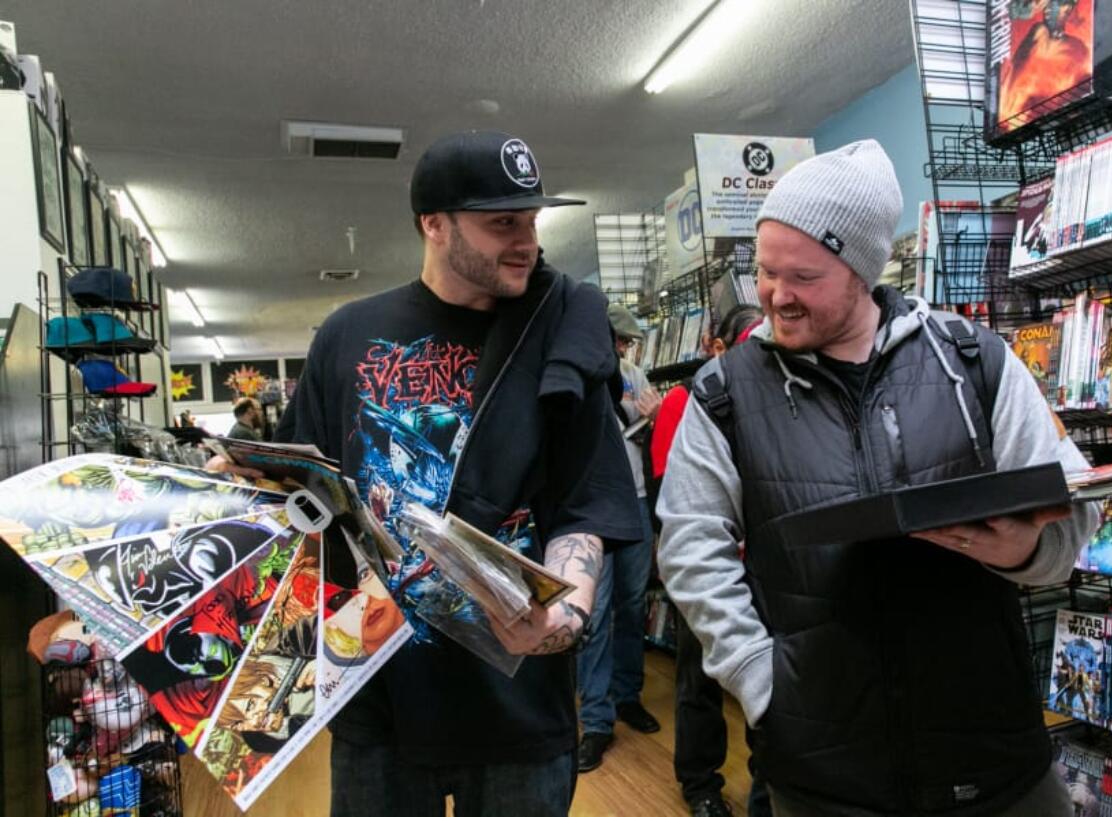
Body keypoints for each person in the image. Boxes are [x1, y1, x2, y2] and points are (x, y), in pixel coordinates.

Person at [657, 139, 1099, 817]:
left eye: (802, 276)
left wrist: (1027, 551)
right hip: (824, 777)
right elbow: (690, 546)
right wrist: (760, 679)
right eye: (766, 272)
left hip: (996, 761)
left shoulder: (974, 362)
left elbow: (1074, 501)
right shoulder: (724, 394)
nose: (775, 295)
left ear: (861, 267)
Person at [277, 129, 642, 817]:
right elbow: (305, 493)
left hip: (519, 713)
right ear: (434, 224)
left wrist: (561, 617)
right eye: (501, 221)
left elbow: (587, 504)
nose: (527, 240)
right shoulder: (347, 335)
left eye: (531, 218)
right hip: (376, 703)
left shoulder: (561, 329)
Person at [650, 304, 771, 817]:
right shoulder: (682, 402)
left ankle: (769, 787)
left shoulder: (774, 398)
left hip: (768, 567)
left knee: (770, 675)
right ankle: (699, 783)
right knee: (697, 679)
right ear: (718, 347)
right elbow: (669, 501)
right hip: (709, 567)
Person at [575, 303, 662, 772]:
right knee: (593, 613)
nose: (624, 350)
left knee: (631, 606)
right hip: (591, 510)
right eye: (619, 341)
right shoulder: (577, 373)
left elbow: (650, 435)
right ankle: (595, 720)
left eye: (629, 343)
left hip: (636, 500)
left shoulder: (635, 373)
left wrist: (657, 418)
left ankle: (628, 695)